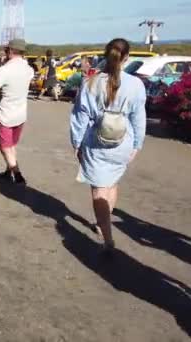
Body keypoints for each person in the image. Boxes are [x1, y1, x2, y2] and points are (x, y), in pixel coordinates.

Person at [70, 38, 147, 254]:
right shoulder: (136, 85)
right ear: (127, 58)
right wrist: (137, 144)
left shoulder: (91, 83)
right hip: (124, 142)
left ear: (105, 55)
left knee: (99, 189)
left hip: (97, 142)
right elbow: (139, 118)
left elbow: (80, 117)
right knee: (111, 183)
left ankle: (107, 236)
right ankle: (103, 222)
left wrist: (76, 142)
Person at [0, 39, 35, 184]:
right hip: (21, 114)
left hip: (6, 114)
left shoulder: (4, 70)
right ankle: (8, 170)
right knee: (11, 146)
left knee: (5, 147)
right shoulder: (28, 69)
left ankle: (17, 173)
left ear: (10, 51)